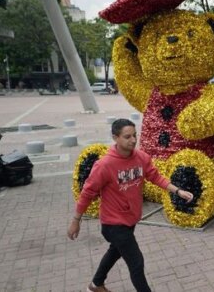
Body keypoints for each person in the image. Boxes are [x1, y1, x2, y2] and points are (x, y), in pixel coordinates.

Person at [67, 119, 193, 292]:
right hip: (113, 224)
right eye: (127, 137)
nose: (133, 140)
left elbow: (155, 177)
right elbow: (87, 193)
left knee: (115, 251)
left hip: (130, 220)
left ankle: (96, 284)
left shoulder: (141, 157)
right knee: (136, 262)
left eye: (135, 135)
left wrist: (177, 191)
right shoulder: (104, 165)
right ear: (115, 138)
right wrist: (76, 220)